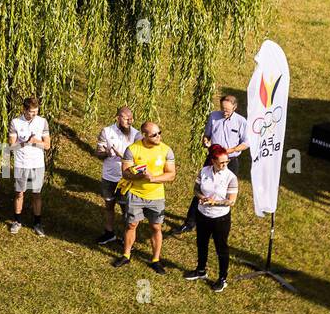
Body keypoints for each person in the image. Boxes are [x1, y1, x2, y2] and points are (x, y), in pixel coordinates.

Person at [176, 94, 250, 235]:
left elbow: (246, 143)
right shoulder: (214, 116)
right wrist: (206, 141)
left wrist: (231, 150)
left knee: (225, 193)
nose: (224, 112)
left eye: (227, 110)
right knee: (202, 188)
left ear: (235, 107)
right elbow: (207, 134)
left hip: (230, 160)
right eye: (222, 108)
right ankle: (190, 222)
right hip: (212, 158)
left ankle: (218, 223)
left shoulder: (241, 122)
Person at [112, 121, 176, 273]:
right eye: (154, 135)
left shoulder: (166, 150)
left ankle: (155, 259)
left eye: (159, 132)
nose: (158, 136)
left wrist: (152, 178)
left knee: (156, 227)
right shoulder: (133, 149)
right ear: (145, 135)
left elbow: (171, 175)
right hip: (136, 195)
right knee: (131, 225)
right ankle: (126, 255)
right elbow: (125, 173)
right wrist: (140, 175)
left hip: (156, 196)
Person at [183, 145, 239, 292]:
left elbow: (231, 201)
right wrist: (202, 197)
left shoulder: (231, 177)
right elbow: (196, 189)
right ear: (213, 161)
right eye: (222, 162)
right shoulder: (204, 171)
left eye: (226, 162)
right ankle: (201, 270)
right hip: (202, 214)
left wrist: (215, 202)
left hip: (220, 218)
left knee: (221, 248)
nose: (225, 165)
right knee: (201, 243)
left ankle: (222, 278)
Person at [94, 105, 139, 245]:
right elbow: (98, 152)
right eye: (126, 119)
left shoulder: (136, 134)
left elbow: (141, 157)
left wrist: (127, 159)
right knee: (109, 205)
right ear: (117, 118)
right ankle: (109, 233)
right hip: (109, 176)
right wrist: (107, 153)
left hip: (126, 179)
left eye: (131, 119)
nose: (130, 122)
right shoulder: (106, 132)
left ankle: (128, 240)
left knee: (127, 210)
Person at [7, 96, 50, 236]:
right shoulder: (15, 122)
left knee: (36, 193)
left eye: (36, 111)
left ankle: (37, 223)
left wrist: (35, 141)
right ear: (25, 109)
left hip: (37, 164)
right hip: (21, 163)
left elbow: (47, 145)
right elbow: (12, 146)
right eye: (31, 112)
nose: (34, 114)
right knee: (19, 193)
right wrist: (25, 143)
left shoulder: (42, 122)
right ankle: (17, 221)